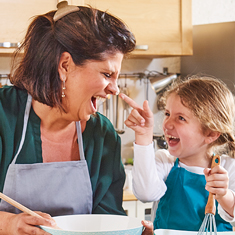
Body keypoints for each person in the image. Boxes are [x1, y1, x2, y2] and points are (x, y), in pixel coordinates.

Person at [0, 2, 155, 235]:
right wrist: (7, 224)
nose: (113, 89)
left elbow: (107, 218)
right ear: (65, 65)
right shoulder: (4, 115)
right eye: (106, 74)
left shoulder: (102, 134)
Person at [120, 75, 235, 232]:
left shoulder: (229, 167)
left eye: (181, 118)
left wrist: (224, 195)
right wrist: (143, 135)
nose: (167, 124)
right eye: (167, 114)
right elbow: (145, 194)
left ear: (211, 133)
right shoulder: (164, 161)